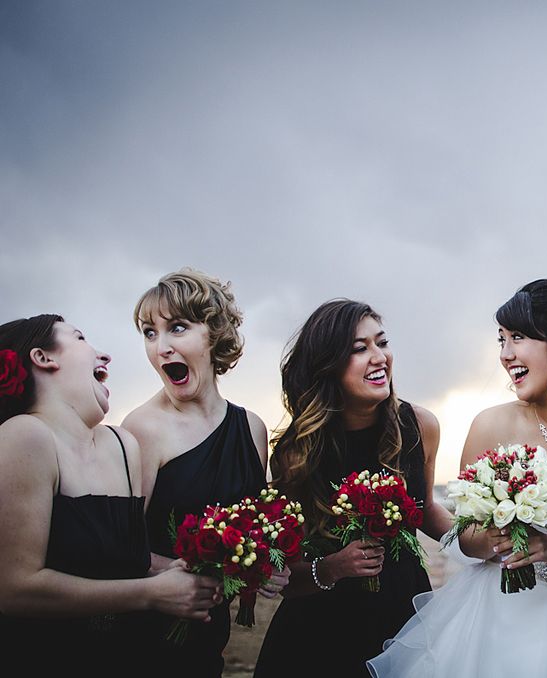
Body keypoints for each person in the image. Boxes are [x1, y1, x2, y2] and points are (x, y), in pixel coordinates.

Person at [367, 279, 547, 678]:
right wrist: (497, 538)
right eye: (500, 340)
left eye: (517, 337)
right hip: (494, 622)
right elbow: (466, 539)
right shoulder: (489, 425)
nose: (505, 354)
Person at [0, 314, 220, 677]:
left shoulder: (123, 445)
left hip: (127, 658)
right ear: (43, 358)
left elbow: (123, 563)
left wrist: (176, 574)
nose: (105, 356)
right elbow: (15, 589)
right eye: (80, 337)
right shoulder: (25, 436)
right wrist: (150, 594)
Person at [254, 298, 451, 677]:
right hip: (321, 629)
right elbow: (288, 574)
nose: (379, 357)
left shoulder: (420, 425)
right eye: (360, 349)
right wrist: (333, 567)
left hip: (402, 615)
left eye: (382, 342)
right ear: (328, 365)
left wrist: (475, 541)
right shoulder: (297, 452)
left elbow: (425, 508)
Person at [122, 269, 281, 677]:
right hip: (146, 636)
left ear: (213, 333)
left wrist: (264, 566)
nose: (161, 347)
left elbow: (251, 528)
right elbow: (116, 549)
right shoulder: (142, 430)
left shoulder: (252, 429)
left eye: (177, 328)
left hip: (213, 632)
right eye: (149, 332)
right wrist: (168, 571)